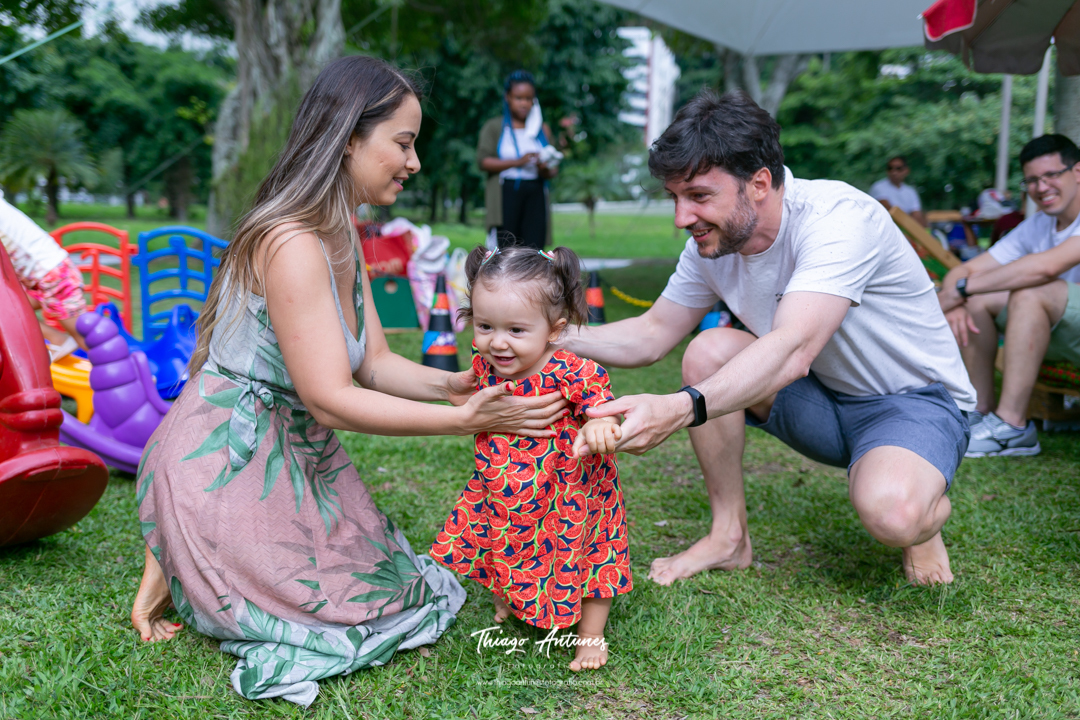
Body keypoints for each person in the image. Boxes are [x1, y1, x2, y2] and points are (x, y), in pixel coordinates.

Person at [129, 56, 568, 706]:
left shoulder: (339, 234)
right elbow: (329, 399)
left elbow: (374, 365)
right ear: (348, 137)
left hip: (295, 458)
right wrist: (467, 422)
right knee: (325, 623)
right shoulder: (291, 242)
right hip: (226, 463)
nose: (414, 162)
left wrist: (453, 388)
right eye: (404, 142)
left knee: (399, 594)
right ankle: (200, 558)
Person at [564, 90, 976, 587]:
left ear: (759, 183)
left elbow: (793, 349)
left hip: (913, 403)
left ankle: (919, 505)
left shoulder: (840, 219)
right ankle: (729, 537)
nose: (681, 218)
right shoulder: (711, 247)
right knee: (708, 350)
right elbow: (652, 335)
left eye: (698, 196)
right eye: (675, 198)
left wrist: (675, 410)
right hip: (825, 400)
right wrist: (553, 337)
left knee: (893, 514)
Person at [431, 245, 631, 672]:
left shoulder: (572, 369)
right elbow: (466, 393)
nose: (497, 342)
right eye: (484, 325)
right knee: (499, 544)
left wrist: (600, 424)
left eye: (516, 330)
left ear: (554, 330)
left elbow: (603, 405)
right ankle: (515, 598)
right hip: (502, 488)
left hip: (569, 494)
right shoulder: (487, 365)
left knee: (590, 557)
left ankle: (591, 636)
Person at [938, 134, 1080, 458]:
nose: (1041, 187)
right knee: (979, 301)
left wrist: (959, 291)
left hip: (1064, 320)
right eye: (1032, 180)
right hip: (1065, 331)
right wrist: (961, 297)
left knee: (1032, 291)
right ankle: (981, 411)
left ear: (1077, 172)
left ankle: (1014, 427)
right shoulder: (1038, 225)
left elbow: (1046, 268)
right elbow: (964, 269)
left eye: (1051, 175)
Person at [477, 70, 558, 250]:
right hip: (505, 192)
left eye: (529, 99)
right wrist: (518, 162)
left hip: (535, 193)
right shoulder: (495, 127)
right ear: (508, 97)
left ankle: (534, 279)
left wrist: (543, 167)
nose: (524, 103)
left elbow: (553, 170)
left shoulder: (542, 130)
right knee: (506, 251)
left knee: (534, 250)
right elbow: (483, 162)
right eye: (518, 98)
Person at [0, 192, 86, 359]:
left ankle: (127, 375)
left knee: (84, 338)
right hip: (40, 279)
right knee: (6, 312)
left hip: (53, 275)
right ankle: (58, 339)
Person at [869, 156, 927, 227]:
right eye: (890, 168)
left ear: (906, 170)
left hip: (907, 229)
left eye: (898, 168)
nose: (894, 172)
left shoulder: (910, 191)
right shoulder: (878, 187)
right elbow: (890, 211)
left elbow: (917, 215)